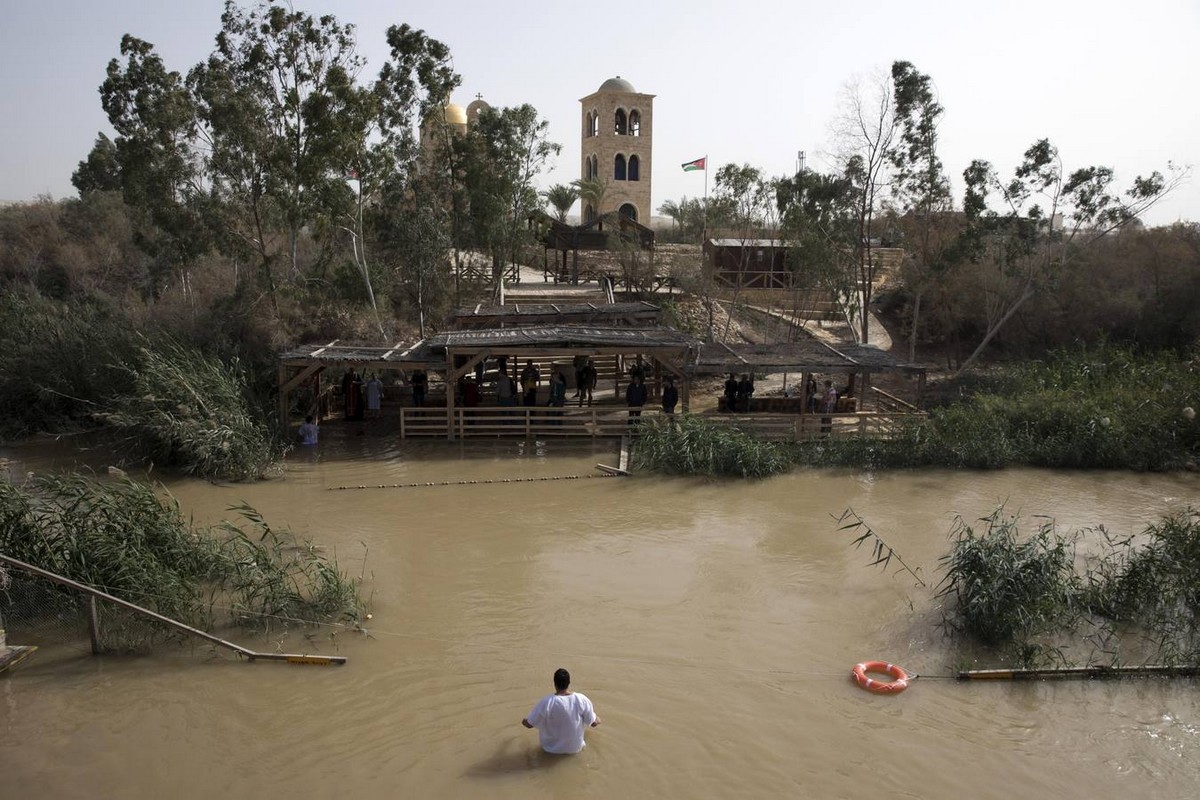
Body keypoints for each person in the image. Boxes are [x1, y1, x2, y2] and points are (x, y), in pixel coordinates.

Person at [522, 668, 600, 755]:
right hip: (575, 749)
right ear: (569, 683)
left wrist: (524, 721)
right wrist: (598, 718)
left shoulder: (546, 702)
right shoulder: (581, 699)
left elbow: (529, 724)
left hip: (550, 750)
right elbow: (593, 723)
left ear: (554, 684)